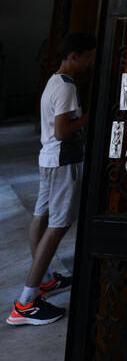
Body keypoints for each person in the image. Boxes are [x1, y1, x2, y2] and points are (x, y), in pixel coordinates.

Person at [7, 32, 96, 327]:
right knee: (57, 228)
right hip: (61, 162)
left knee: (40, 219)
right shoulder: (68, 88)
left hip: (48, 159)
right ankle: (25, 303)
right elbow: (62, 131)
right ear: (74, 56)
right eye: (87, 57)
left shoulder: (54, 81)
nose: (89, 62)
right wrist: (91, 117)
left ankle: (43, 281)